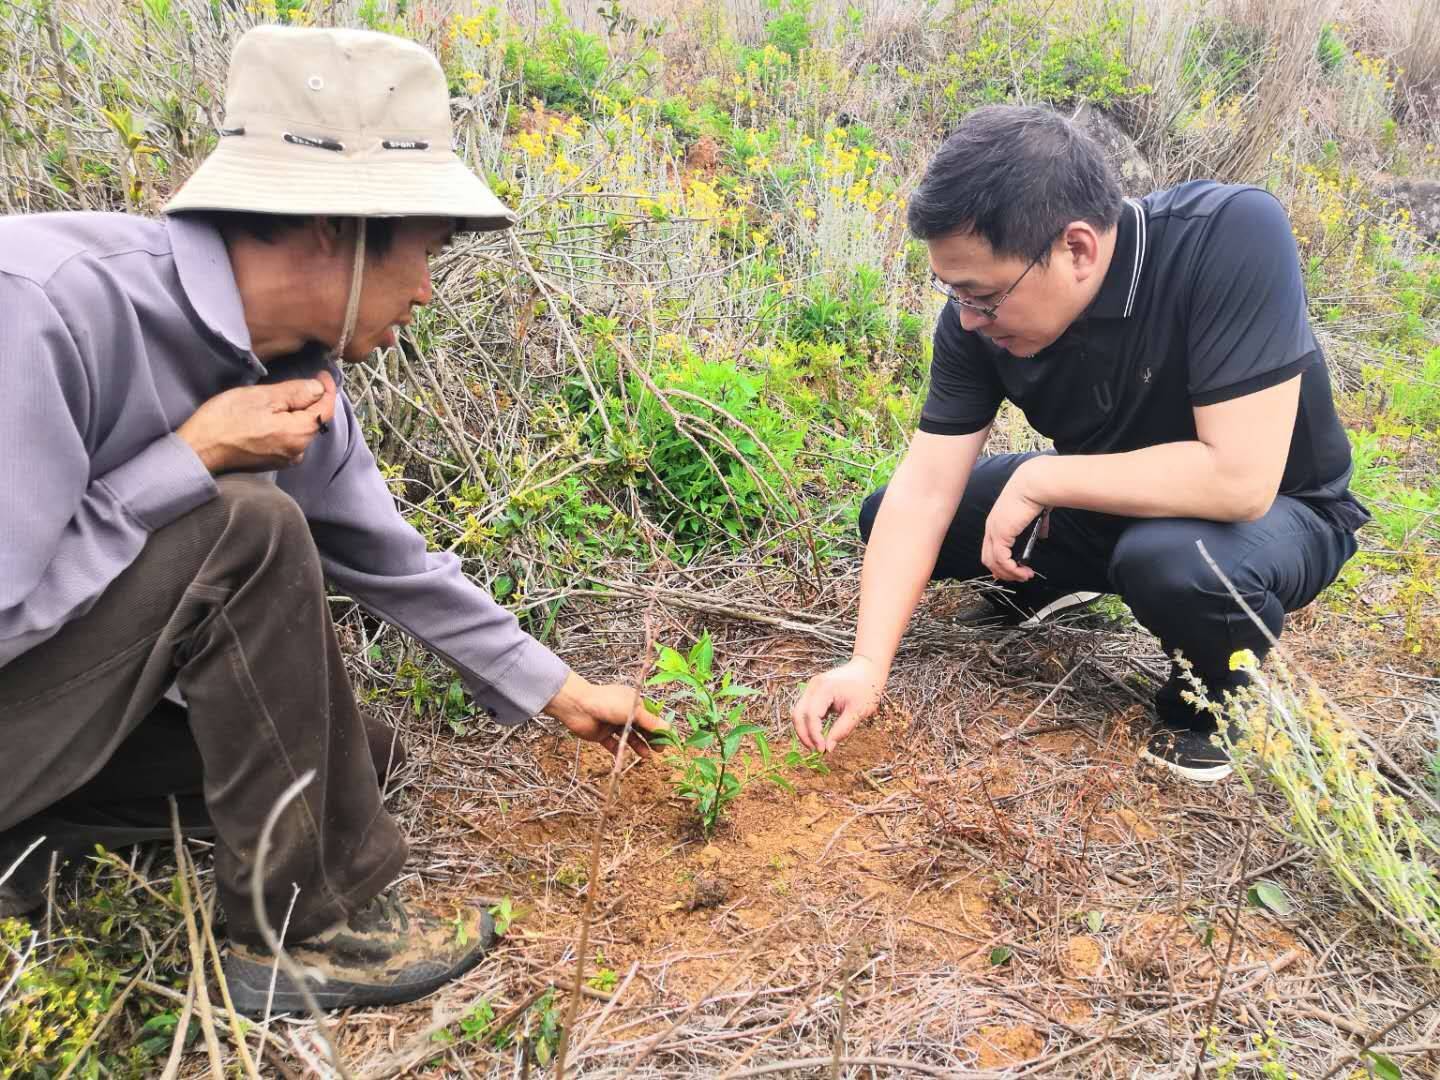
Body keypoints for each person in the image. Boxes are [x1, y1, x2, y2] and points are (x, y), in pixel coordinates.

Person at [0, 25, 664, 1014]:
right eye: (425, 252)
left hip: (39, 718)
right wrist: (188, 462)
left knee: (355, 764)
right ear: (334, 225)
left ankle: (32, 845)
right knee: (247, 525)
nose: (430, 290)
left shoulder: (296, 365)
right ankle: (298, 943)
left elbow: (389, 559)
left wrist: (558, 691)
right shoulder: (43, 305)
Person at [791, 105, 1368, 784]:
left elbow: (1239, 481)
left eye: (983, 295)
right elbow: (923, 492)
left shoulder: (1229, 235)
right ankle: (1053, 579)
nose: (969, 319)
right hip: (1110, 496)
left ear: (1077, 249)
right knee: (885, 514)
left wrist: (1043, 484)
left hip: (1276, 513)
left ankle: (1214, 698)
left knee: (1174, 562)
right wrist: (867, 663)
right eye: (954, 294)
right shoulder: (975, 322)